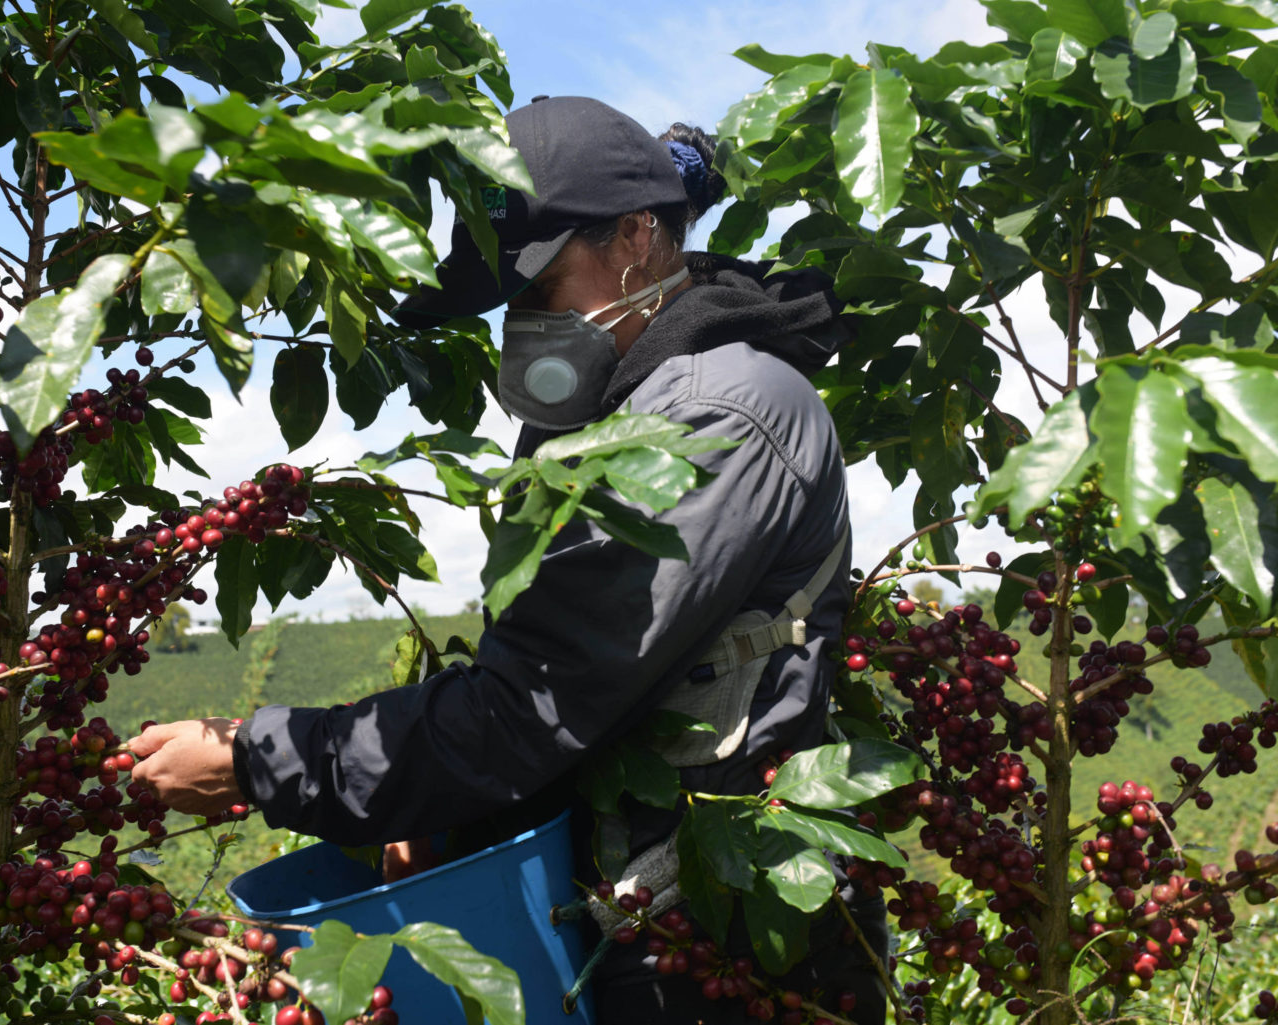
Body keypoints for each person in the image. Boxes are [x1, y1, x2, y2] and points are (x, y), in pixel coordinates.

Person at [128, 95, 886, 1023]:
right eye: (508, 302)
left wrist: (261, 761)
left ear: (637, 238)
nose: (522, 321)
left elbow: (532, 706)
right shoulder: (623, 411)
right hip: (631, 940)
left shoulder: (717, 417)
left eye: (537, 286)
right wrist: (438, 812)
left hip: (722, 964)